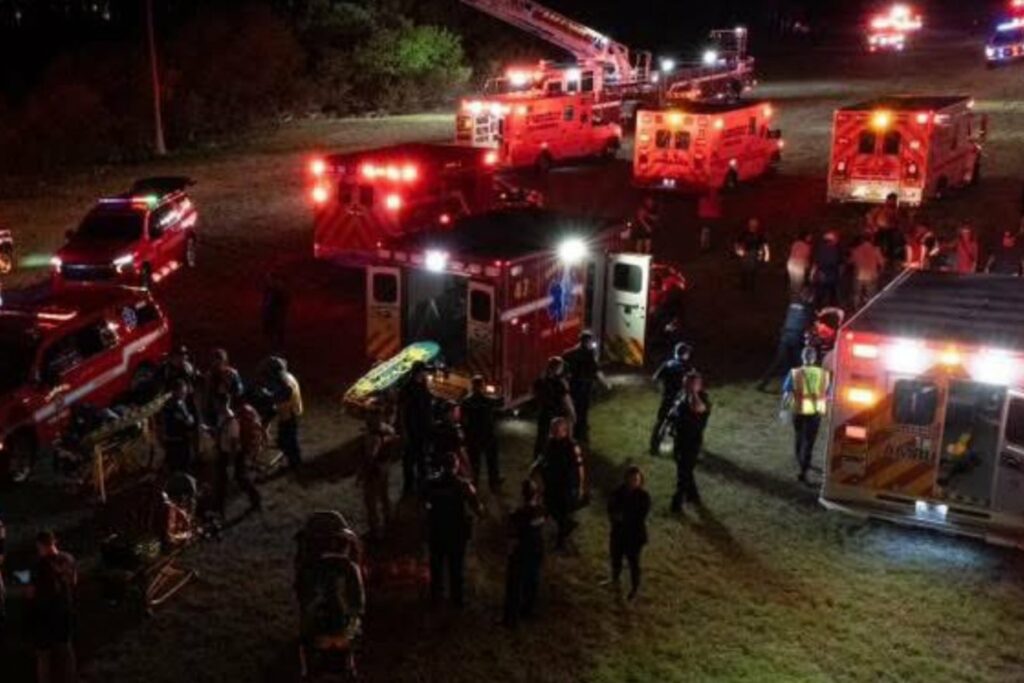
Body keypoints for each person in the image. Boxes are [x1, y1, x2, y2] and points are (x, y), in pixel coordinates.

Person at [424, 451, 483, 607]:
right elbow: (478, 508)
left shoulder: (431, 483)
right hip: (457, 532)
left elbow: (423, 505)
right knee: (456, 567)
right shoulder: (464, 486)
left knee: (436, 566)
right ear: (456, 466)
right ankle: (457, 599)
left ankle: (436, 597)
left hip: (437, 530)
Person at [28, 531, 78, 683]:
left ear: (40, 545)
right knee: (65, 650)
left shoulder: (38, 564)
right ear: (54, 541)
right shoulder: (68, 559)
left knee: (44, 654)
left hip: (44, 613)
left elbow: (31, 592)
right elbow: (74, 582)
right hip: (63, 610)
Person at [533, 418, 585, 550]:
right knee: (551, 508)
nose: (555, 433)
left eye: (558, 430)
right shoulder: (550, 443)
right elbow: (543, 458)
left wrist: (580, 487)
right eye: (553, 430)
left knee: (561, 512)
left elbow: (580, 468)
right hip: (552, 483)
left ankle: (561, 542)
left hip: (566, 485)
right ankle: (567, 525)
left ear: (565, 431)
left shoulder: (572, 446)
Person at [783, 346, 831, 484]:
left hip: (798, 411)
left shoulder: (795, 373)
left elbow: (787, 393)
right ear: (814, 358)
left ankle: (800, 459)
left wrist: (784, 410)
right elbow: (829, 394)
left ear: (802, 357)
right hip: (815, 413)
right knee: (809, 442)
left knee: (799, 437)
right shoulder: (823, 374)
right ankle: (804, 469)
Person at [502, 479, 546, 627]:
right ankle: (528, 610)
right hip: (536, 549)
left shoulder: (518, 514)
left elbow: (512, 535)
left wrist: (510, 551)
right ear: (535, 494)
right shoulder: (541, 510)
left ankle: (511, 618)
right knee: (532, 580)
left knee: (514, 584)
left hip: (521, 551)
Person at [606, 467, 651, 600]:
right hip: (618, 533)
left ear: (640, 481)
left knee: (633, 563)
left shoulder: (643, 496)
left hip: (634, 536)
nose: (633, 482)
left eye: (636, 479)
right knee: (616, 559)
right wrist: (615, 516)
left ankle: (634, 588)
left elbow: (641, 515)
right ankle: (615, 581)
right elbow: (610, 508)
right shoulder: (617, 493)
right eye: (631, 479)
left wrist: (624, 517)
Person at [756, 289, 814, 391]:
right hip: (796, 336)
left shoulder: (792, 305)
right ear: (809, 297)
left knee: (778, 361)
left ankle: (763, 383)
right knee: (800, 362)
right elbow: (808, 324)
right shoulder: (807, 308)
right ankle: (806, 387)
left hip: (785, 336)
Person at [212, 399, 261, 517]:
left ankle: (255, 498)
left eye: (218, 404)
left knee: (240, 478)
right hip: (224, 453)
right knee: (223, 481)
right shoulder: (222, 417)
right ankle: (219, 508)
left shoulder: (232, 421)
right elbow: (221, 433)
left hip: (234, 455)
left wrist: (231, 463)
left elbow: (234, 443)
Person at [670, 372, 711, 513]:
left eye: (690, 384)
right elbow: (675, 410)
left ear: (699, 385)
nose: (686, 386)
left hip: (692, 442)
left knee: (683, 474)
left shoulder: (703, 399)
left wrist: (693, 393)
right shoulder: (682, 394)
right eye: (685, 383)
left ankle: (676, 503)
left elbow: (698, 408)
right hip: (679, 439)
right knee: (685, 469)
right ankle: (693, 496)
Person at [358, 409, 396, 540]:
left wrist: (362, 473)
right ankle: (389, 518)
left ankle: (376, 530)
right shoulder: (388, 429)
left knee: (371, 501)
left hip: (374, 470)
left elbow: (370, 457)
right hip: (385, 466)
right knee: (384, 495)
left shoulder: (373, 436)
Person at [649, 342, 693, 455]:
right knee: (683, 421)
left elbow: (655, 379)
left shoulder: (667, 364)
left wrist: (660, 389)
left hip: (667, 397)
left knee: (660, 421)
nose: (689, 355)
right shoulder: (686, 366)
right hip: (680, 399)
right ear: (684, 354)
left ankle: (653, 447)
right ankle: (680, 445)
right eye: (688, 353)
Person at [461, 376, 503, 491]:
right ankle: (493, 483)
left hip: (473, 436)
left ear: (472, 386)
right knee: (492, 461)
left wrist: (466, 434)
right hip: (488, 435)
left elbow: (463, 420)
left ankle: (474, 484)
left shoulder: (466, 401)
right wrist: (499, 391)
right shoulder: (487, 400)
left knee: (474, 462)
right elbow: (501, 402)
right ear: (482, 386)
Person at [562, 331, 605, 442]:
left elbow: (564, 367)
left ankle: (572, 432)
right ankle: (581, 434)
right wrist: (604, 382)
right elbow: (595, 369)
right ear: (588, 341)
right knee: (583, 410)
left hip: (573, 385)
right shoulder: (589, 354)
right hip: (585, 386)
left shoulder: (569, 353)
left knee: (573, 409)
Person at [399, 362, 434, 494]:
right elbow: (402, 411)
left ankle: (422, 486)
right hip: (412, 430)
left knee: (422, 458)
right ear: (419, 372)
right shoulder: (407, 388)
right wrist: (404, 431)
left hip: (423, 429)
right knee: (409, 459)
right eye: (424, 371)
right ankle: (408, 486)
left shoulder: (423, 386)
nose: (426, 373)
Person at [532, 357, 575, 457]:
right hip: (557, 415)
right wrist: (572, 414)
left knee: (541, 438)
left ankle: (539, 457)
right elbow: (566, 400)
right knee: (558, 439)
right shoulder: (559, 383)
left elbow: (533, 394)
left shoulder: (540, 381)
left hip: (544, 413)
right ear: (558, 368)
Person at [267, 357, 303, 470]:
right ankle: (292, 462)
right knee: (286, 439)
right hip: (292, 412)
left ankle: (295, 464)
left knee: (289, 440)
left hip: (289, 414)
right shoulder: (287, 376)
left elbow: (286, 392)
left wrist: (272, 398)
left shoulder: (284, 381)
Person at [161, 378, 198, 473]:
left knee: (177, 467)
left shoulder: (175, 403)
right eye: (183, 392)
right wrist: (189, 419)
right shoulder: (175, 405)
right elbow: (187, 421)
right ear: (176, 391)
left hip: (175, 439)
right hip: (178, 441)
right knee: (180, 467)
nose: (185, 394)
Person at [235, 403, 265, 511]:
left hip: (247, 447)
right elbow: (258, 425)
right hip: (251, 446)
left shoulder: (243, 414)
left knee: (242, 475)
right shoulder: (249, 409)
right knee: (242, 473)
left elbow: (246, 431)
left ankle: (255, 498)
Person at [203, 348, 244, 422]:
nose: (216, 363)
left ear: (223, 361)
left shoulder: (231, 374)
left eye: (218, 360)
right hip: (215, 409)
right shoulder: (210, 375)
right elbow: (207, 394)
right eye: (214, 360)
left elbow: (239, 391)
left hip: (230, 406)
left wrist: (228, 389)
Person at [868, 193, 905, 267]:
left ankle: (889, 261)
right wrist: (874, 227)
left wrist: (898, 225)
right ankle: (877, 260)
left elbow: (899, 221)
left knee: (891, 246)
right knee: (877, 245)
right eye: (892, 200)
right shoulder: (880, 208)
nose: (893, 202)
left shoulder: (896, 210)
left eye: (894, 200)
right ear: (888, 200)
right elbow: (871, 217)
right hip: (880, 229)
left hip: (891, 230)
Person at [848, 235, 885, 308]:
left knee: (857, 293)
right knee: (870, 294)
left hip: (859, 275)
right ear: (871, 240)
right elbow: (881, 263)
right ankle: (869, 308)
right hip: (871, 275)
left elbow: (851, 261)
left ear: (862, 240)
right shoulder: (875, 250)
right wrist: (880, 272)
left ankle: (856, 308)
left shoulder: (856, 250)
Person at [733, 218, 769, 290]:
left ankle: (751, 287)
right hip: (746, 254)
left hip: (754, 254)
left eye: (755, 224)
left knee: (753, 271)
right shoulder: (744, 234)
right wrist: (738, 251)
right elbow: (737, 242)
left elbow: (764, 244)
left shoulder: (759, 235)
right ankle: (744, 287)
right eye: (752, 224)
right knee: (744, 270)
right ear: (749, 225)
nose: (753, 226)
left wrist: (766, 255)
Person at [810, 230, 842, 308]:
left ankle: (817, 308)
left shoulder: (820, 248)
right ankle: (831, 307)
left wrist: (813, 274)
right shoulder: (834, 249)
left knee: (820, 293)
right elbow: (836, 261)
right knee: (831, 293)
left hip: (822, 273)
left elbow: (816, 261)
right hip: (830, 274)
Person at [262, 271, 290, 351]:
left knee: (276, 329)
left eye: (269, 278)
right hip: (274, 312)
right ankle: (276, 345)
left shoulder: (277, 289)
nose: (267, 280)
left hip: (275, 312)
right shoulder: (272, 288)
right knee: (274, 329)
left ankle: (277, 346)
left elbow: (282, 301)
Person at [786, 230, 813, 298]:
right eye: (809, 236)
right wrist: (808, 266)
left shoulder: (796, 243)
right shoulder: (807, 246)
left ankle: (792, 295)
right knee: (799, 282)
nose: (810, 238)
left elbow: (792, 252)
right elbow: (805, 257)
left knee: (793, 281)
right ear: (805, 237)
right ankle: (797, 297)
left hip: (791, 262)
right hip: (799, 264)